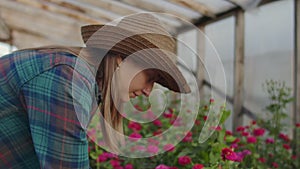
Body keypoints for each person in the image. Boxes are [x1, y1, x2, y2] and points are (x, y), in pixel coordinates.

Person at [0, 13, 190, 169]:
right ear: (122, 58)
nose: (149, 91)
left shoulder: (83, 79)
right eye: (151, 77)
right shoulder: (67, 78)